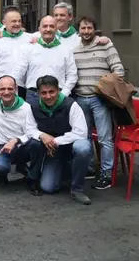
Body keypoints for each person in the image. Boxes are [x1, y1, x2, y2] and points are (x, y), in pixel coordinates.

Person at [73, 16, 125, 189]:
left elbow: (119, 71)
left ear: (95, 29)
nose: (86, 31)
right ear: (78, 31)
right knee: (84, 137)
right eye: (83, 28)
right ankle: (88, 168)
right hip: (80, 98)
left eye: (89, 28)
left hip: (99, 100)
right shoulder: (74, 50)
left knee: (104, 138)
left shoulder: (106, 45)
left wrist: (105, 87)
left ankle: (106, 174)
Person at [26, 75, 92, 205]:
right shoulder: (33, 106)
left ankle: (77, 189)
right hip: (53, 152)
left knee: (83, 147)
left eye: (52, 92)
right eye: (44, 93)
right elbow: (29, 129)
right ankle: (66, 172)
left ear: (58, 90)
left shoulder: (71, 105)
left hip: (71, 146)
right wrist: (42, 135)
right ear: (38, 93)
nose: (48, 96)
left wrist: (55, 141)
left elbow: (81, 133)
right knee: (48, 187)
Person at [12, 16, 78, 107]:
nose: (48, 29)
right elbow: (18, 72)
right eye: (45, 26)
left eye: (51, 26)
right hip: (33, 96)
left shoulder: (66, 49)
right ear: (39, 29)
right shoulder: (28, 48)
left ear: (56, 29)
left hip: (58, 96)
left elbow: (72, 75)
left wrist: (64, 94)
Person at [0, 7, 32, 98]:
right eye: (14, 21)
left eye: (19, 21)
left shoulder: (30, 39)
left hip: (22, 89)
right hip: (0, 89)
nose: (17, 24)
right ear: (4, 22)